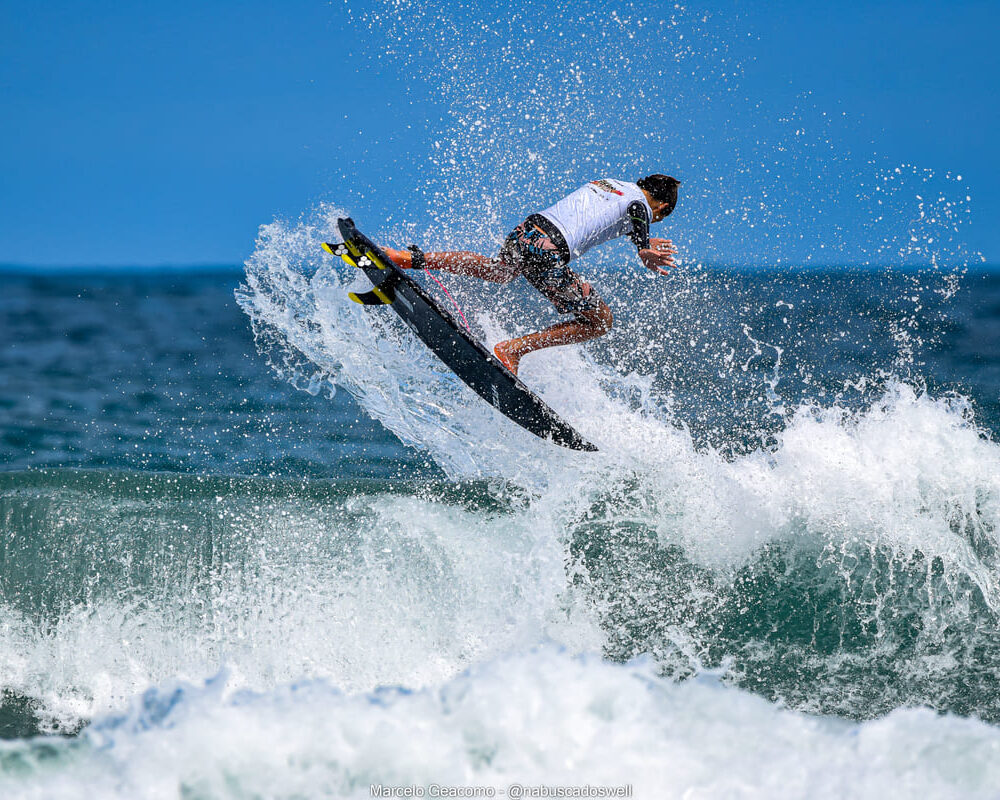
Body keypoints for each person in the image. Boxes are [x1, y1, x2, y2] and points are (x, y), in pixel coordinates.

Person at [382, 174, 680, 375]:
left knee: (498, 270)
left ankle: (409, 258)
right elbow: (637, 212)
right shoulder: (639, 205)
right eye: (661, 217)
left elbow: (617, 212)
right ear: (663, 207)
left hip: (528, 230)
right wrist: (642, 246)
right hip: (549, 249)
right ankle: (512, 350)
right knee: (600, 321)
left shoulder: (610, 183)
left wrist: (641, 238)